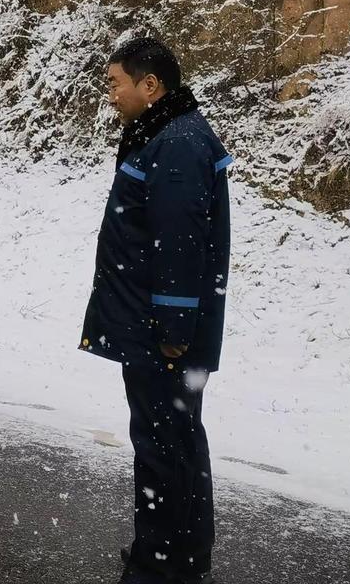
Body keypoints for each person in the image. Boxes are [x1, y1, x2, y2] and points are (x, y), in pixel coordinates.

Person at [80, 36, 232, 584]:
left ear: (151, 85)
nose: (111, 94)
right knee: (178, 442)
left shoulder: (177, 144)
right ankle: (182, 560)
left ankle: (160, 566)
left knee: (164, 448)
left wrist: (172, 329)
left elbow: (179, 242)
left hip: (162, 332)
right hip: (157, 325)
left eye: (116, 83)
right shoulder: (164, 135)